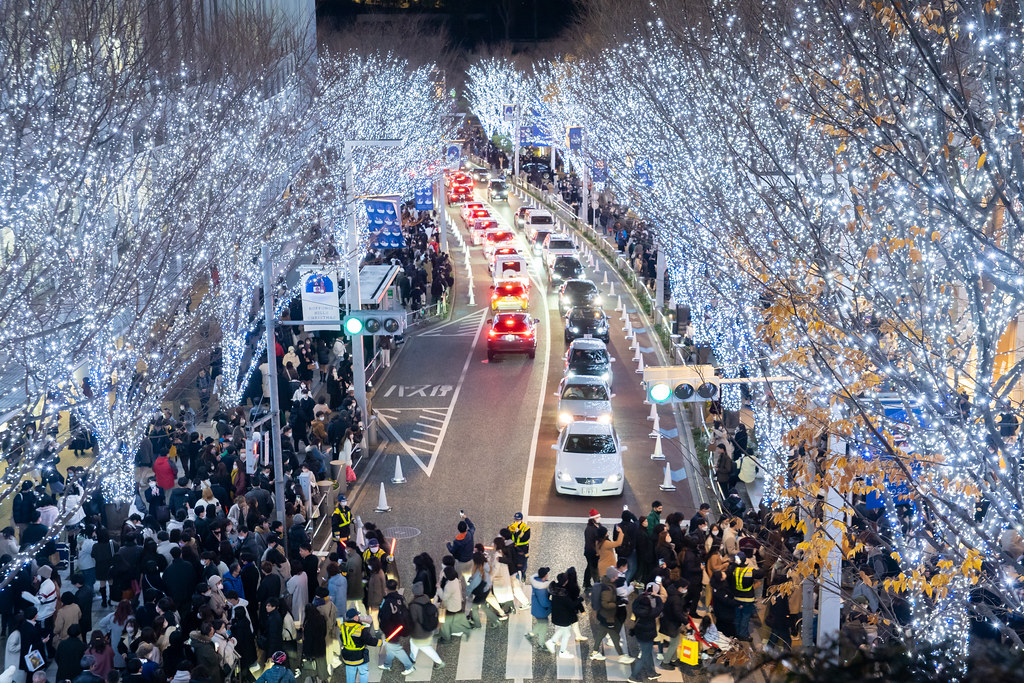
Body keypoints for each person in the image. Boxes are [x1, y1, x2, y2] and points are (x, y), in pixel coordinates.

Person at [628, 582, 664, 683]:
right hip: (648, 635)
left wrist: (645, 595)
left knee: (647, 653)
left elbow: (636, 602)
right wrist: (656, 596)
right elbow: (660, 606)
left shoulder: (637, 607)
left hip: (639, 632)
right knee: (644, 656)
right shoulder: (651, 612)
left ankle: (651, 673)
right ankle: (633, 676)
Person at [376, 580, 414, 675]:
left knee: (395, 648)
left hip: (391, 629)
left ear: (386, 589)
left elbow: (384, 618)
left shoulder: (387, 602)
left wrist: (383, 629)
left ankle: (409, 666)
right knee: (390, 648)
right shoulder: (400, 598)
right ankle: (387, 664)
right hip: (400, 626)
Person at [407, 582, 444, 670]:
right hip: (428, 628)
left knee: (424, 647)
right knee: (413, 643)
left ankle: (439, 662)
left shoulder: (413, 605)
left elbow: (412, 619)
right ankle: (412, 658)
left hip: (419, 632)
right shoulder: (426, 598)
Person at [339, 609, 381, 683]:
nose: (358, 617)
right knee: (363, 672)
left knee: (350, 674)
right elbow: (370, 641)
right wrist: (381, 642)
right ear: (355, 617)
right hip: (360, 656)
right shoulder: (360, 628)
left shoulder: (343, 627)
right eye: (357, 616)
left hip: (347, 655)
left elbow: (342, 638)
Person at [732, 552, 766, 641]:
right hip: (747, 598)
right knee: (745, 616)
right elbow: (761, 573)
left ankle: (736, 633)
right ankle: (743, 635)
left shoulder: (734, 571)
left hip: (736, 598)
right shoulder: (749, 571)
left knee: (737, 616)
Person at [301, 603, 329, 683]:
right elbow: (324, 633)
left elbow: (308, 638)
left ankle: (315, 679)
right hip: (320, 646)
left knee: (312, 668)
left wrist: (306, 651)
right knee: (321, 665)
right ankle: (322, 679)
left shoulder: (308, 622)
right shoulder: (322, 619)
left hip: (312, 649)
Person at [524, 567, 551, 648]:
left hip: (536, 608)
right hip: (541, 611)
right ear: (545, 575)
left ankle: (533, 637)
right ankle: (541, 644)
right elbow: (544, 603)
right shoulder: (542, 589)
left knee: (542, 624)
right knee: (543, 625)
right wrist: (551, 604)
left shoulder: (536, 582)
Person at [445, 513, 475, 578]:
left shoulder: (457, 541)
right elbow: (472, 526)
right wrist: (466, 518)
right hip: (470, 559)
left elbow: (452, 550)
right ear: (466, 528)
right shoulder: (470, 534)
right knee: (469, 577)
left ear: (458, 529)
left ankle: (459, 587)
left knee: (458, 577)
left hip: (462, 562)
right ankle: (470, 587)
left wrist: (448, 544)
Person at [582, 509, 604, 590]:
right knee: (593, 569)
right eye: (597, 517)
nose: (599, 518)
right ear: (593, 518)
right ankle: (596, 585)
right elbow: (591, 544)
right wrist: (596, 553)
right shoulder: (591, 529)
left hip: (591, 552)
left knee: (589, 567)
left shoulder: (595, 526)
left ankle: (586, 582)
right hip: (592, 553)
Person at [507, 512, 530, 579]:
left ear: (521, 519)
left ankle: (523, 574)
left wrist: (518, 531)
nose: (516, 521)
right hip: (514, 548)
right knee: (514, 562)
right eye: (515, 519)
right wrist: (509, 530)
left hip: (523, 548)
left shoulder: (526, 528)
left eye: (518, 520)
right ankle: (516, 574)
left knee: (524, 563)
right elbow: (508, 536)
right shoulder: (511, 525)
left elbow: (525, 538)